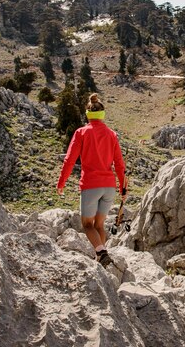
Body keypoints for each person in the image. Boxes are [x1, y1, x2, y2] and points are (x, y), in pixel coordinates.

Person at [57, 93, 126, 267]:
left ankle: (101, 253)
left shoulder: (81, 133)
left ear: (88, 114)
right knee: (99, 226)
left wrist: (61, 182)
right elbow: (119, 164)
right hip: (109, 187)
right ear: (102, 115)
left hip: (90, 185)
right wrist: (123, 189)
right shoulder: (112, 135)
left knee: (87, 225)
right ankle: (100, 259)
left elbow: (70, 159)